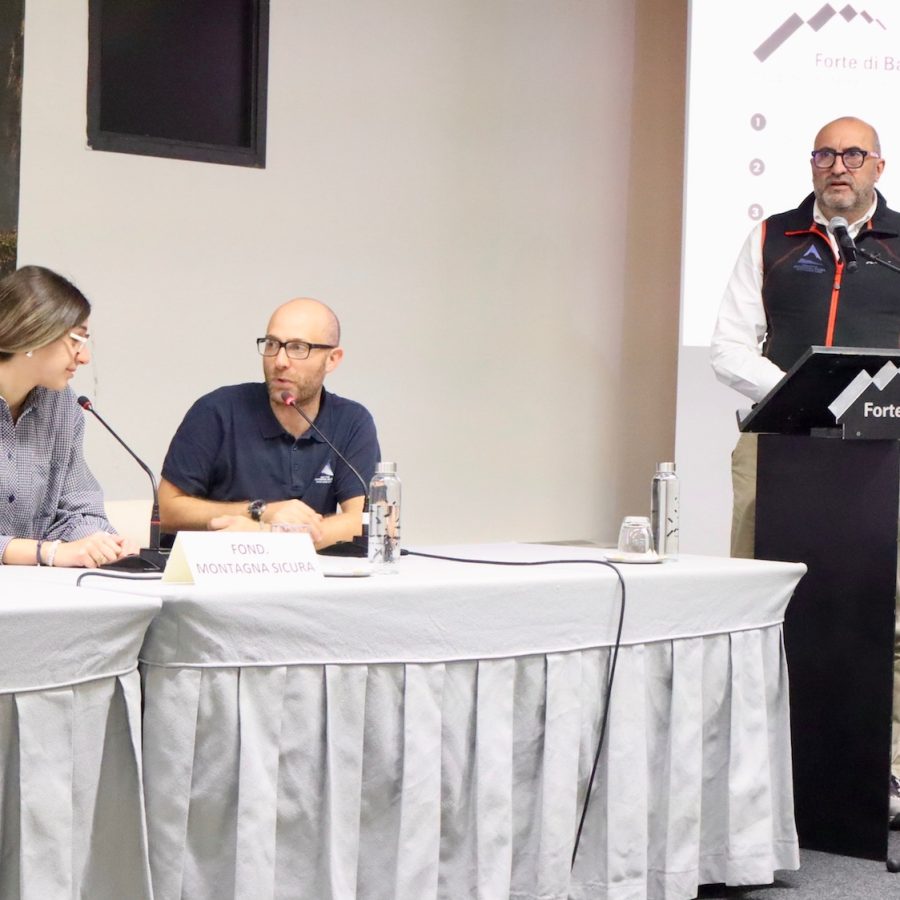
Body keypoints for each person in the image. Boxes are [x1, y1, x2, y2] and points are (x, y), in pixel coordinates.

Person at [710, 115, 900, 826]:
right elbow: (729, 347)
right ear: (811, 165)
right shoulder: (772, 239)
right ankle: (754, 774)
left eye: (853, 154)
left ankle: (887, 771)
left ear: (878, 166)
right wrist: (800, 391)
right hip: (779, 447)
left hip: (885, 453)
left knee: (890, 609)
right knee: (757, 605)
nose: (838, 166)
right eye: (825, 154)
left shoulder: (898, 245)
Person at [159, 297, 379, 549]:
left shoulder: (351, 421)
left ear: (332, 359)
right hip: (216, 574)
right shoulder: (216, 411)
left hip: (304, 579)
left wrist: (268, 536)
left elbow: (368, 521)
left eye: (298, 348)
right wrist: (260, 512)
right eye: (272, 344)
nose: (280, 361)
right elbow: (166, 510)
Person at [0, 265, 138, 567]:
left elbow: (75, 511)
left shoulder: (62, 407)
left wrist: (102, 542)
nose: (85, 357)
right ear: (33, 331)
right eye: (76, 340)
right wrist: (47, 552)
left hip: (36, 594)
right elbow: (53, 550)